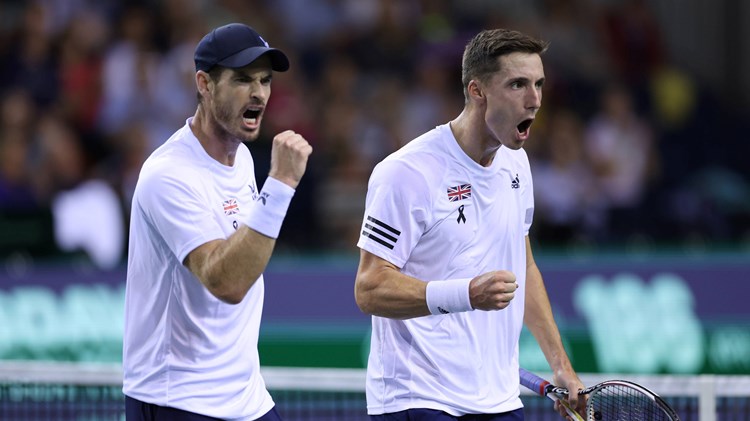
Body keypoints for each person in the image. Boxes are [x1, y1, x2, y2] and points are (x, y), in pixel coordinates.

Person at [354, 28, 585, 420]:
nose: (535, 100)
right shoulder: (407, 173)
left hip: (498, 399)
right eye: (518, 85)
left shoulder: (517, 163)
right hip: (420, 399)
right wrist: (466, 294)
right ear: (477, 91)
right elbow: (369, 288)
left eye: (539, 84)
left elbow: (523, 267)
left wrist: (561, 364)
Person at [122, 23, 312, 421]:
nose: (259, 92)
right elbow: (226, 282)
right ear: (205, 84)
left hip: (247, 398)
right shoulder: (168, 175)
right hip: (179, 399)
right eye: (242, 80)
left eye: (264, 80)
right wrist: (279, 186)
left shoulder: (241, 157)